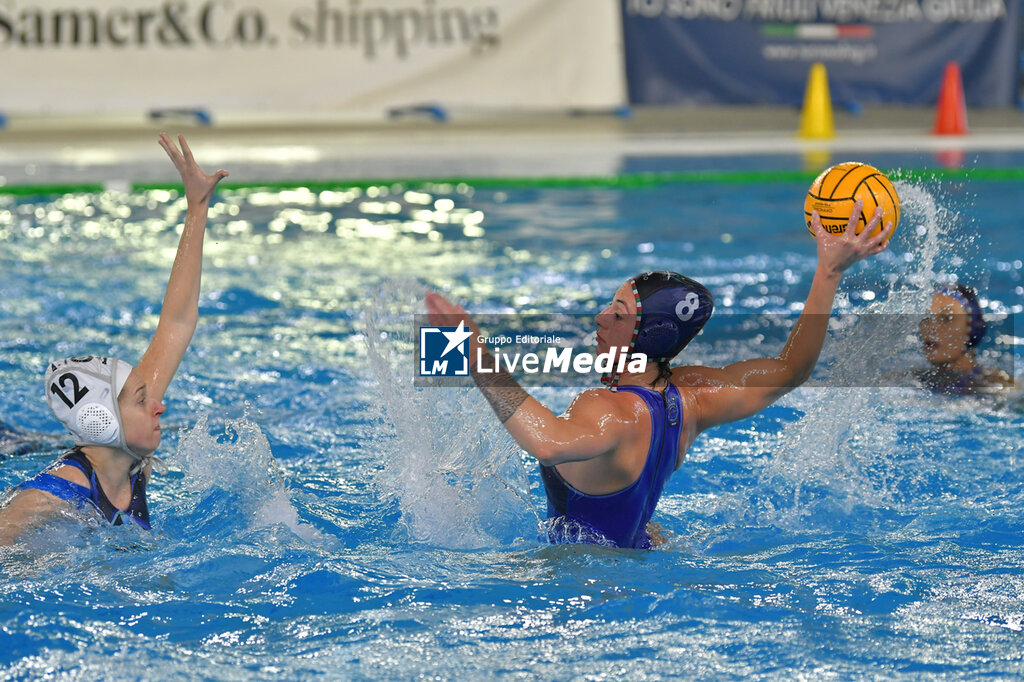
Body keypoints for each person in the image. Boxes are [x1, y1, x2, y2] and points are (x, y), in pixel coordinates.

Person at [426, 201, 893, 549]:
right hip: (639, 559)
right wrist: (828, 273)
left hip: (581, 594)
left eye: (618, 314)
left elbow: (547, 442)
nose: (599, 320)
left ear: (647, 336)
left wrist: (473, 351)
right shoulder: (690, 399)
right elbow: (790, 370)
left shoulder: (608, 410)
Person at [0, 134, 228, 545]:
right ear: (100, 422)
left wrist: (197, 207)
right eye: (142, 400)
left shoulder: (127, 450)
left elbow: (176, 323)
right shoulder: (45, 503)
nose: (159, 404)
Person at [916, 284, 1017, 395]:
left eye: (946, 318)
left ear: (972, 330)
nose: (930, 327)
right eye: (926, 317)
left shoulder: (999, 386)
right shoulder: (911, 379)